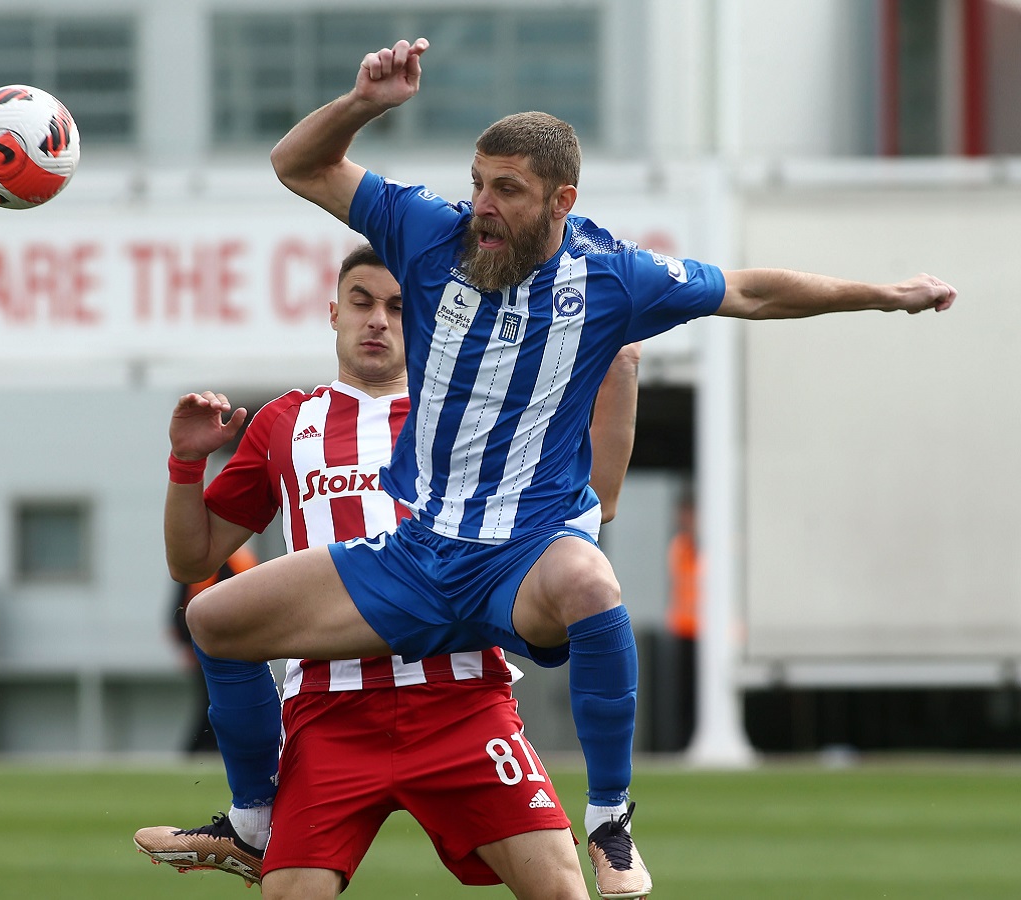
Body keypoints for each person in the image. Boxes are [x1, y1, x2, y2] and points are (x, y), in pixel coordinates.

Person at [183, 38, 957, 899]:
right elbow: (298, 163)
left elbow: (755, 291)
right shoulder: (427, 232)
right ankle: (254, 821)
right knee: (215, 618)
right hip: (417, 552)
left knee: (591, 581)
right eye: (477, 181)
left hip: (519, 562)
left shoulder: (613, 277)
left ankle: (612, 824)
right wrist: (365, 101)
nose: (481, 205)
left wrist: (885, 294)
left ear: (561, 200)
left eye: (504, 190)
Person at [134, 244, 644, 900]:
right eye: (362, 302)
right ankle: (252, 823)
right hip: (330, 711)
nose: (378, 319)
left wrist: (621, 370)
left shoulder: (474, 416)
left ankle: (614, 823)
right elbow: (191, 559)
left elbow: (596, 498)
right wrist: (184, 464)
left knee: (561, 891)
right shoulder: (285, 424)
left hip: (460, 700)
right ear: (333, 313)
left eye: (399, 307)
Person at [168, 547, 258, 753]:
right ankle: (200, 749)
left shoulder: (241, 562)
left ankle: (206, 749)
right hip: (203, 650)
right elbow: (179, 609)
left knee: (230, 701)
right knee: (210, 701)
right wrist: (186, 644)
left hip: (236, 650)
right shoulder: (198, 563)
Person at [664, 488, 698, 751]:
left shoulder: (711, 548)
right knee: (683, 696)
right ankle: (682, 744)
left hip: (705, 632)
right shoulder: (679, 546)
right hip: (684, 628)